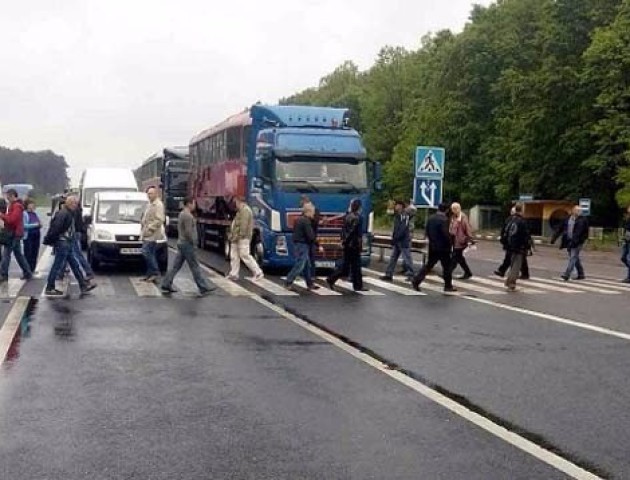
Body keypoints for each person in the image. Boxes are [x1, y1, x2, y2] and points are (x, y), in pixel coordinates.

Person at [161, 198, 216, 296]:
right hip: (187, 244)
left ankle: (166, 283)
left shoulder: (182, 214)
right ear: (189, 204)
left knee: (176, 266)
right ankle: (203, 286)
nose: (194, 205)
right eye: (194, 203)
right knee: (195, 266)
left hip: (182, 243)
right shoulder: (188, 216)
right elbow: (188, 232)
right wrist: (193, 242)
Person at [43, 196, 96, 297]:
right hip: (63, 242)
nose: (75, 206)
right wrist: (52, 240)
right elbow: (55, 228)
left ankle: (83, 285)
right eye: (74, 203)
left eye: (76, 204)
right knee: (57, 265)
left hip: (67, 242)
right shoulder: (64, 214)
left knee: (74, 265)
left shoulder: (68, 213)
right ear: (69, 203)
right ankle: (49, 287)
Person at [411, 202, 456, 293]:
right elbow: (446, 234)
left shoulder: (431, 218)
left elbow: (427, 231)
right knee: (447, 267)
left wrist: (432, 240)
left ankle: (416, 280)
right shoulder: (444, 220)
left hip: (433, 246)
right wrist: (451, 243)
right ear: (447, 210)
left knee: (429, 265)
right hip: (443, 247)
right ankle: (448, 286)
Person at [326, 198, 366, 292]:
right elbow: (354, 232)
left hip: (348, 244)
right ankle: (357, 286)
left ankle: (332, 279)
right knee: (355, 266)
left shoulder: (347, 216)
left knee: (347, 266)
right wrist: (359, 244)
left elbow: (343, 230)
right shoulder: (358, 218)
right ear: (359, 207)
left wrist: (343, 241)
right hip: (354, 244)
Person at [226, 196, 264, 281]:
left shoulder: (245, 211)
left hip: (242, 238)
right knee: (234, 255)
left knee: (245, 255)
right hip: (236, 238)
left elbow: (243, 226)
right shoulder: (240, 211)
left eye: (236, 202)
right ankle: (233, 274)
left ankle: (258, 272)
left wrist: (238, 236)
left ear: (240, 201)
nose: (235, 204)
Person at [0, 189, 33, 282]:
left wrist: (2, 216)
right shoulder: (13, 206)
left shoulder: (17, 207)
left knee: (6, 254)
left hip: (13, 234)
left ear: (13, 196)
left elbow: (12, 220)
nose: (7, 198)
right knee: (18, 254)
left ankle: (3, 274)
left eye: (9, 196)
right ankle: (27, 272)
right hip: (15, 233)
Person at [285, 203, 319, 291]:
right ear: (308, 212)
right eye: (313, 212)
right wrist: (318, 244)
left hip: (299, 244)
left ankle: (309, 284)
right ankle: (288, 281)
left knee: (307, 265)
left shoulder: (299, 219)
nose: (314, 214)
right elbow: (310, 235)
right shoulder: (306, 221)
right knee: (300, 265)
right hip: (302, 245)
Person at [551, 205, 589, 281]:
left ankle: (567, 274)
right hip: (568, 241)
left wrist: (581, 240)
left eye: (580, 211)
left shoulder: (583, 220)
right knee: (575, 258)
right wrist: (554, 238)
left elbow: (584, 232)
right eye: (577, 210)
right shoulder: (567, 219)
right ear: (573, 211)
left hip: (577, 242)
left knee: (573, 257)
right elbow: (560, 229)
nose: (579, 212)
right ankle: (581, 274)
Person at [380, 200, 414, 281]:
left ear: (401, 206)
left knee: (407, 258)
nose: (396, 207)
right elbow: (389, 213)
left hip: (403, 240)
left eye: (397, 205)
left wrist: (396, 238)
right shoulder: (397, 215)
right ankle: (388, 274)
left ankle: (411, 274)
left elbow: (403, 228)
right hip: (397, 240)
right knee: (393, 258)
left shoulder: (404, 216)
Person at [494, 206, 530, 279]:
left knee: (516, 260)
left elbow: (505, 231)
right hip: (515, 244)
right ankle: (503, 271)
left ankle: (509, 276)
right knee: (513, 259)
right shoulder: (518, 220)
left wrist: (503, 240)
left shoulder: (514, 220)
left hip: (514, 244)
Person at [140, 186, 166, 283]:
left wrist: (150, 228)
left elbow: (160, 219)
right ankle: (149, 274)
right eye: (148, 193)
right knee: (150, 253)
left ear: (156, 194)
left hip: (152, 233)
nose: (149, 195)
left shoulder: (158, 205)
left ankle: (155, 272)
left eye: (151, 193)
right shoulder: (149, 204)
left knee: (146, 252)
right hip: (147, 233)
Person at [504, 203, 531, 291]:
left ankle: (509, 281)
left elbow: (506, 231)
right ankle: (511, 283)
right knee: (516, 266)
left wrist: (506, 244)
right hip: (519, 247)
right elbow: (526, 235)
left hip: (510, 245)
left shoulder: (512, 220)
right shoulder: (522, 221)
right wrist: (527, 247)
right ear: (522, 210)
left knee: (513, 264)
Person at [300, 195, 323, 279]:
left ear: (304, 201)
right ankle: (307, 274)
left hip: (310, 236)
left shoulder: (313, 210)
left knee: (310, 257)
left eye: (301, 201)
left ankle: (311, 274)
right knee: (306, 257)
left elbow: (314, 223)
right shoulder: (306, 211)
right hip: (308, 236)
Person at [449, 202, 474, 279]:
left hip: (461, 240)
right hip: (454, 240)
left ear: (458, 209)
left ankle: (447, 272)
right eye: (452, 209)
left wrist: (470, 239)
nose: (453, 210)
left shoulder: (463, 217)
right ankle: (468, 272)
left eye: (454, 209)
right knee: (460, 258)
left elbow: (468, 228)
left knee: (455, 257)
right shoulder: (454, 217)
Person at [22, 199, 42, 272]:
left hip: (36, 235)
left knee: (35, 253)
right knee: (28, 254)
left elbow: (39, 222)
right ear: (27, 205)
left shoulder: (34, 213)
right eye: (31, 204)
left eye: (33, 204)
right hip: (28, 236)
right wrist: (36, 225)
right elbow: (24, 226)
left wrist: (40, 224)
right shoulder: (24, 213)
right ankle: (26, 270)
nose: (32, 206)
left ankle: (32, 269)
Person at [621, 205, 630, 283]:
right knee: (623, 257)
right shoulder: (627, 217)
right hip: (626, 239)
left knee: (629, 259)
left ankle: (629, 277)